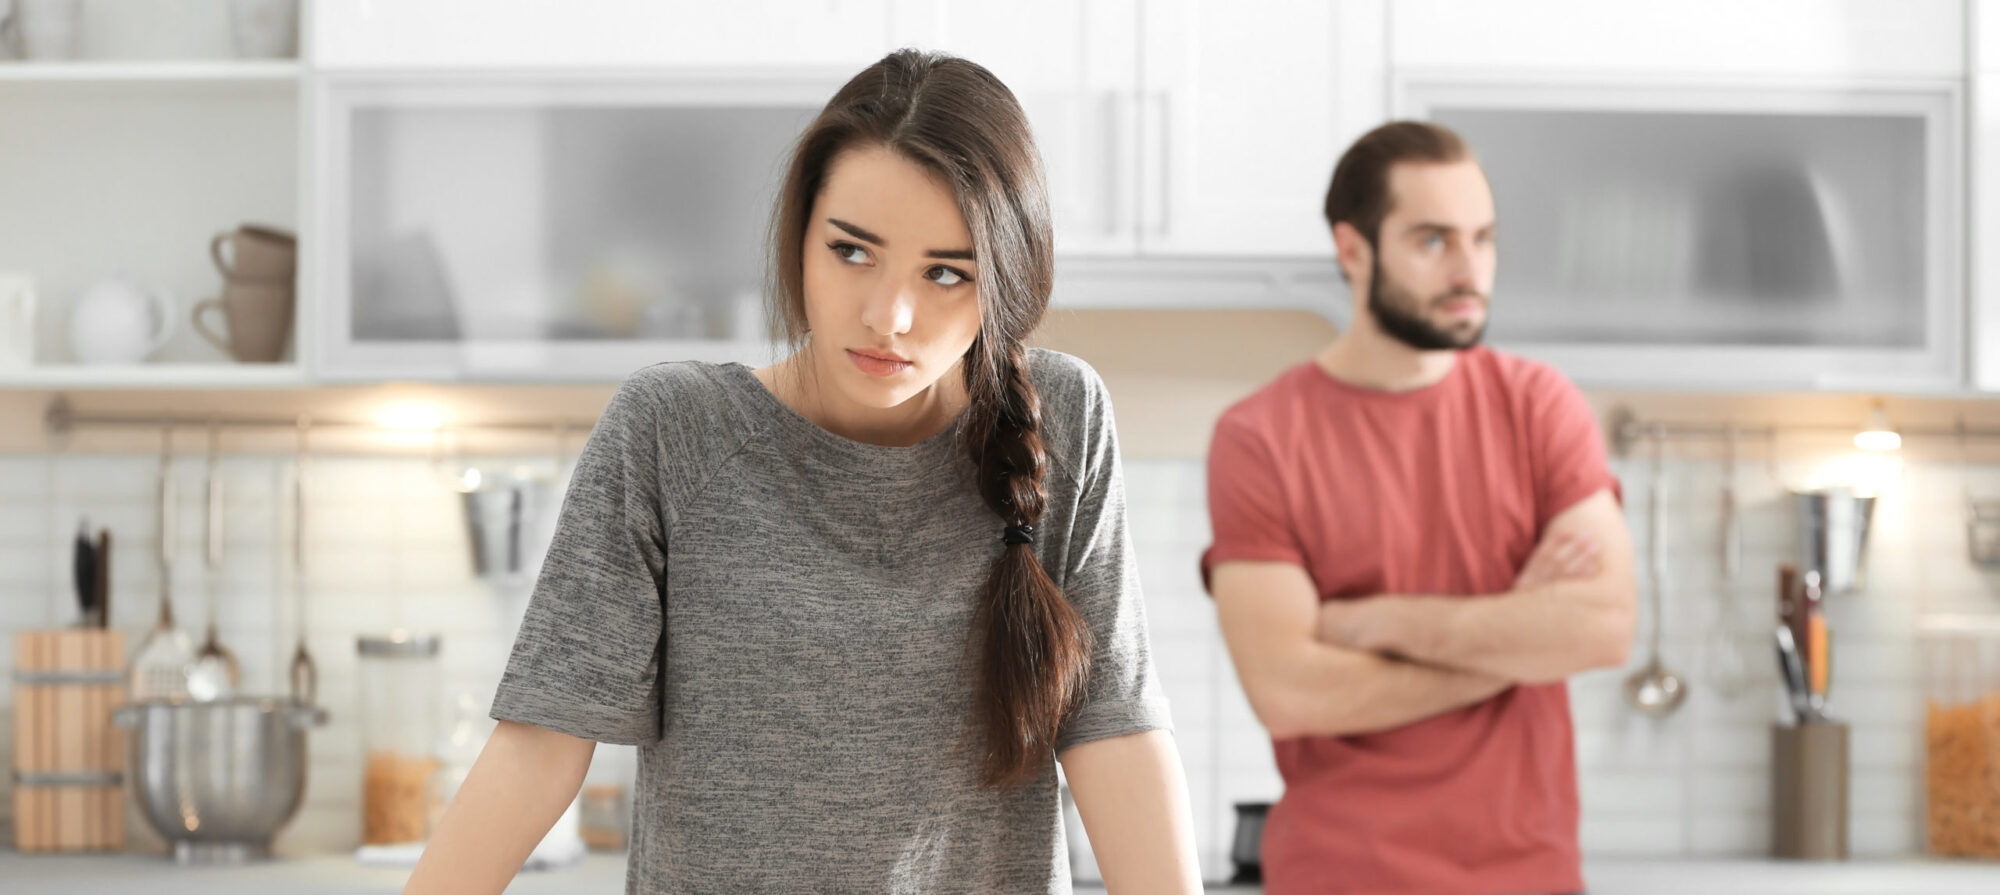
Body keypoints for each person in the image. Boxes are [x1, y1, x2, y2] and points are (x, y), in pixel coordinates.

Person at [404, 50, 1201, 895]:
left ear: (1003, 281)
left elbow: (1114, 734)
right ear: (801, 237)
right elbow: (539, 745)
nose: (889, 316)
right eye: (854, 252)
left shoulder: (1064, 418)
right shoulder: (673, 433)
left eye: (945, 273)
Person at [1202, 120, 1639, 895]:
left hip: (1529, 878)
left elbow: (1602, 625)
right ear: (1352, 250)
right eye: (1434, 241)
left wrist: (1377, 621)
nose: (1469, 269)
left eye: (1483, 239)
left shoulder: (1541, 407)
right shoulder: (1259, 437)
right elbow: (1290, 692)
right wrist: (1514, 635)